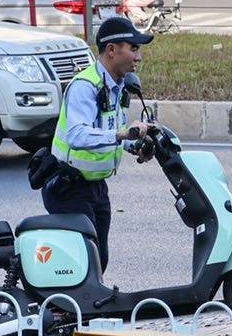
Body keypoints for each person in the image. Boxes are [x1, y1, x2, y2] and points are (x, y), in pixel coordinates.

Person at [42, 15, 154, 268]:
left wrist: (135, 145)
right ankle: (62, 307)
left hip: (96, 186)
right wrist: (122, 135)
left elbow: (110, 130)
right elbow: (78, 135)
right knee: (82, 263)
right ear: (112, 50)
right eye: (133, 48)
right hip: (68, 187)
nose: (138, 56)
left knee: (99, 258)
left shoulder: (118, 85)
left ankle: (86, 307)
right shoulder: (86, 86)